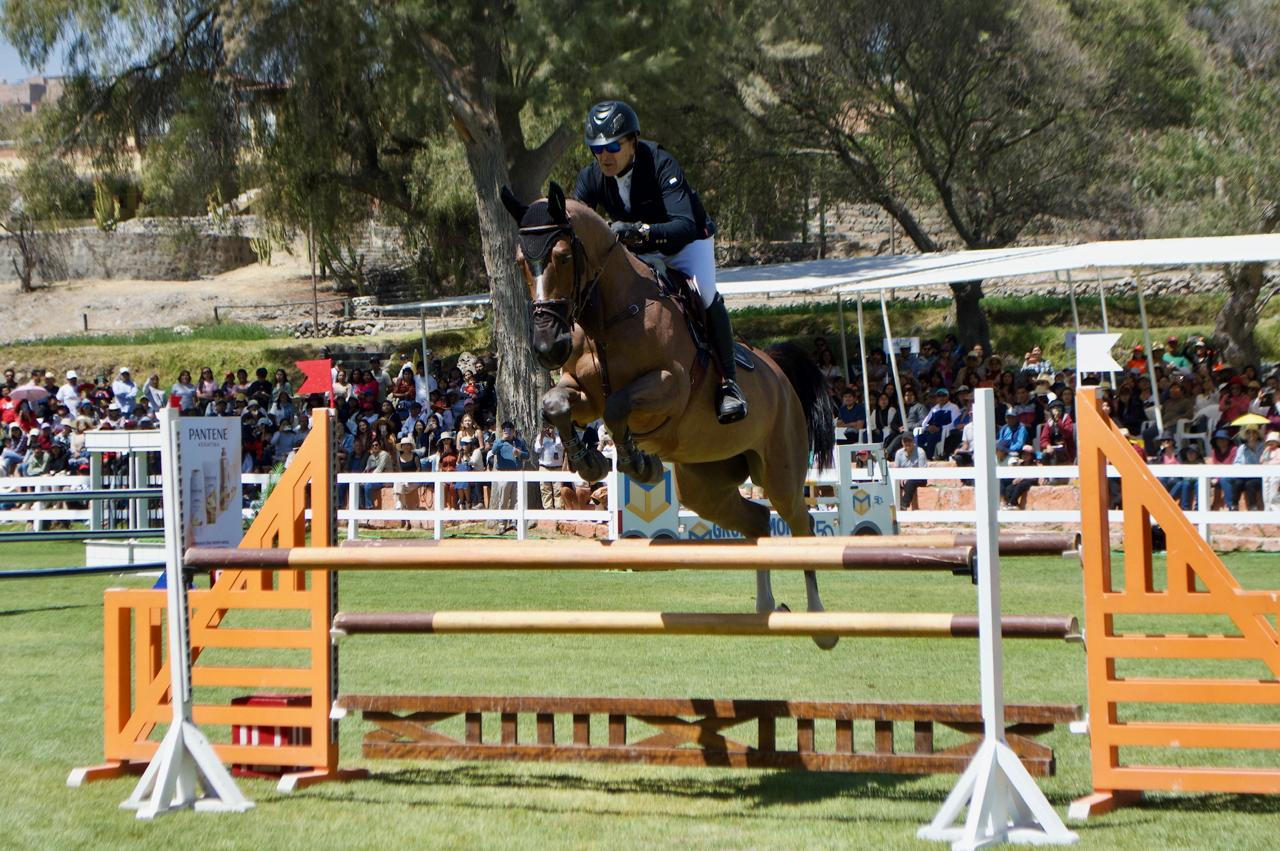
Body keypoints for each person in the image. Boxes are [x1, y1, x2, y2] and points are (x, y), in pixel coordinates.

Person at [572, 100, 745, 424]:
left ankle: (728, 384)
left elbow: (685, 224)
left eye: (612, 146)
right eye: (596, 149)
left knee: (705, 292)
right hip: (639, 248)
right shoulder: (592, 177)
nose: (604, 156)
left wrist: (638, 231)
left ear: (632, 141)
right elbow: (577, 222)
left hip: (685, 242)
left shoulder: (661, 163)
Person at [891, 432, 928, 510]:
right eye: (905, 441)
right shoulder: (899, 453)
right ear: (902, 442)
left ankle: (904, 505)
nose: (907, 443)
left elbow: (922, 471)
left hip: (919, 478)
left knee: (910, 482)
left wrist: (909, 476)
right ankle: (894, 507)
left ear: (914, 441)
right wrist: (900, 478)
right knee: (894, 483)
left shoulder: (920, 452)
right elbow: (896, 469)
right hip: (903, 478)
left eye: (909, 441)